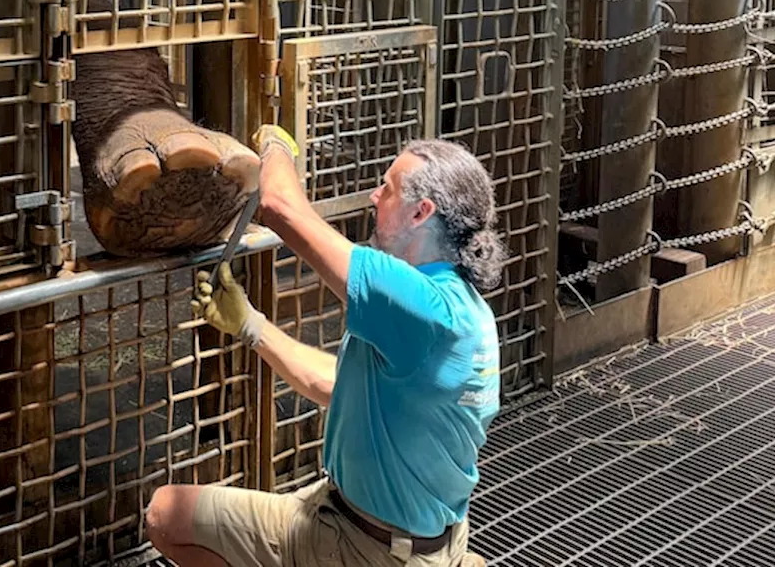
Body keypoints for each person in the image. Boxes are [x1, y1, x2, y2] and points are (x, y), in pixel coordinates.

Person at [144, 125, 505, 567]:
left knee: (166, 514)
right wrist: (250, 325)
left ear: (420, 213)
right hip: (423, 537)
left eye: (387, 189)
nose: (374, 196)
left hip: (368, 547)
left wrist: (276, 144)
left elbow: (278, 206)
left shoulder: (419, 305)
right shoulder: (466, 307)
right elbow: (336, 384)